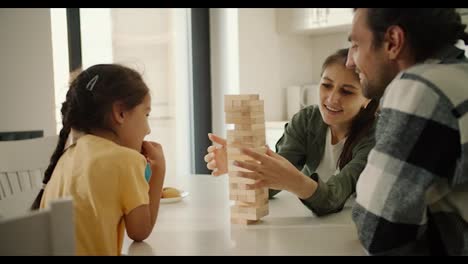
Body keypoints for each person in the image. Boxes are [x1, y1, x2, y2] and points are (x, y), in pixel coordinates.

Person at [346, 8, 468, 255]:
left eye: (356, 45)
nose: (349, 61)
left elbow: (379, 230)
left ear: (393, 41)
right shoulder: (458, 76)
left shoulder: (422, 86)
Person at [205, 48, 379, 216]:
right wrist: (241, 165)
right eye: (326, 85)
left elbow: (332, 199)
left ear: (367, 98)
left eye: (347, 91)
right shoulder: (307, 120)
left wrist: (293, 181)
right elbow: (272, 185)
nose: (332, 98)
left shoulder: (376, 137)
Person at [31, 64, 166, 255]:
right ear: (120, 113)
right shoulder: (126, 160)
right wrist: (159, 171)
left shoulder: (68, 156)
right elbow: (140, 231)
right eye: (146, 114)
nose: (148, 129)